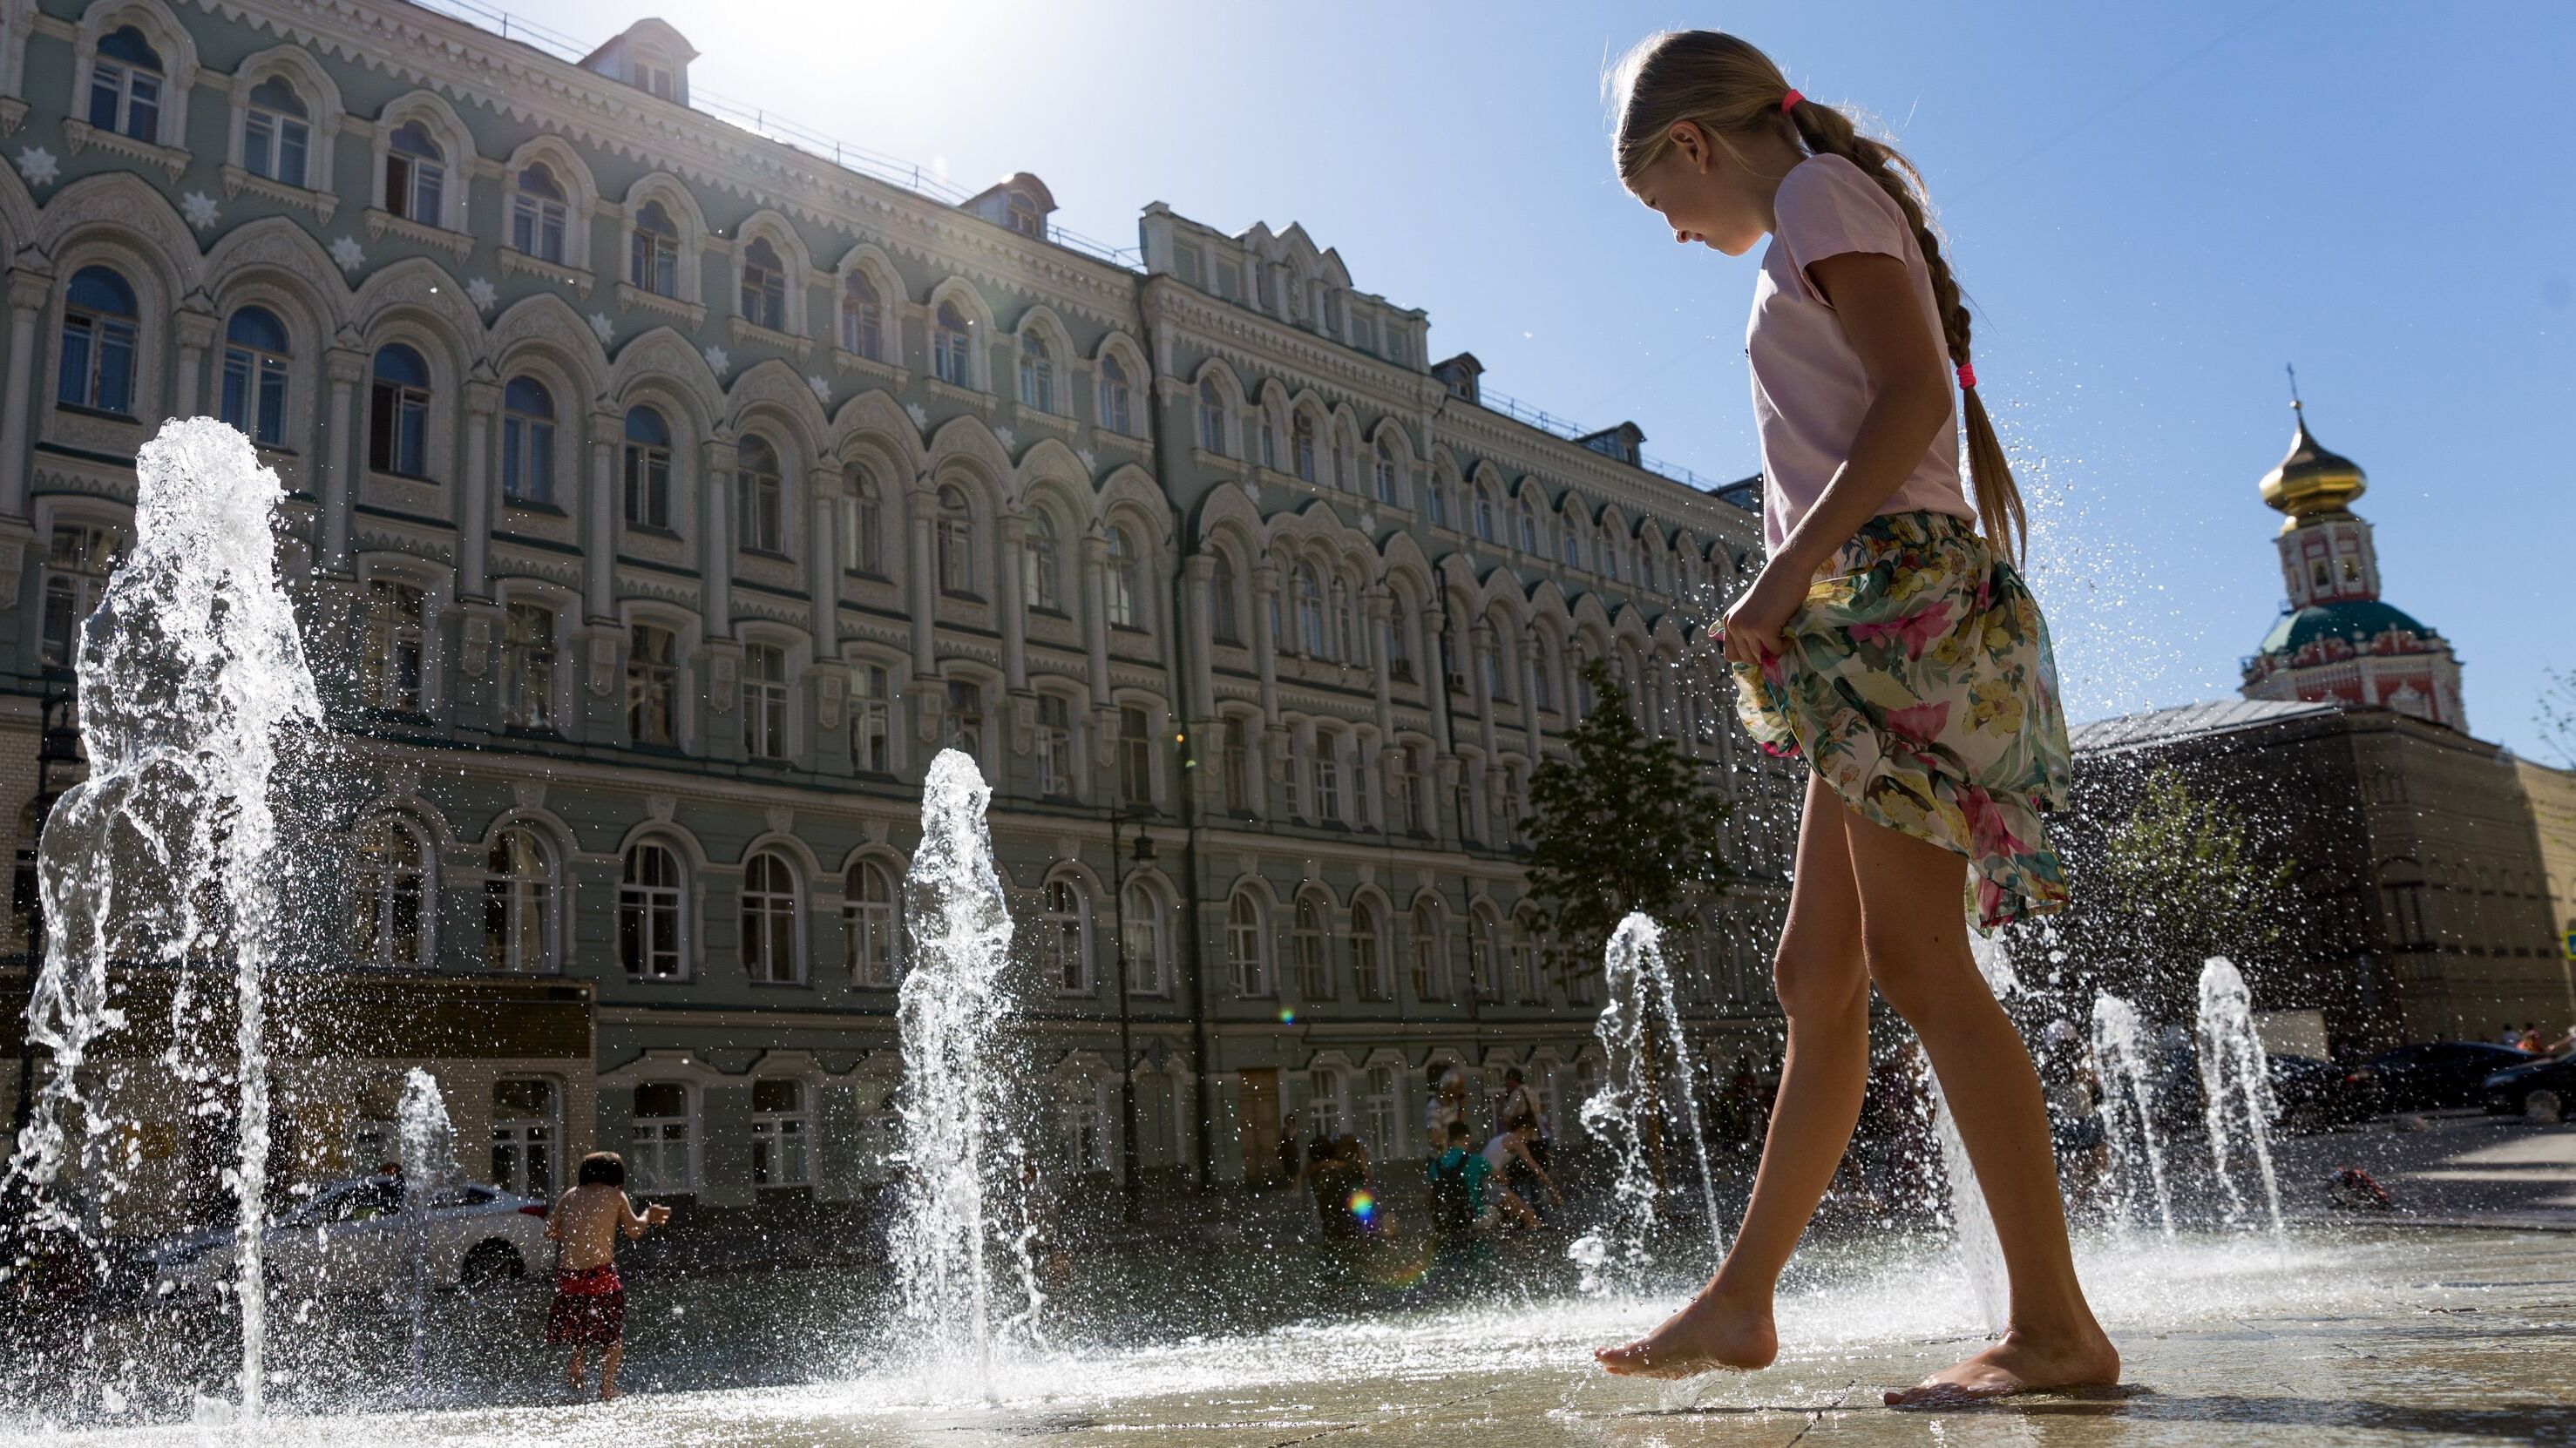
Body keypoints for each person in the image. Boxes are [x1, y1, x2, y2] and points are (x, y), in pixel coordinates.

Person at [1590, 33, 2117, 1405]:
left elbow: (1907, 397)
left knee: (1924, 968)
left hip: (1895, 603)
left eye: (1659, 202)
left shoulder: (1820, 202)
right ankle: (1743, 1297)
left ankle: (2055, 1327)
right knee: (1815, 976)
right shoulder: (1822, 213)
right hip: (1872, 617)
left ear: (1695, 142)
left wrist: (1781, 572)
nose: (1672, 232)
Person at [545, 1151, 671, 1400]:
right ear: (617, 1178)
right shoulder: (616, 1195)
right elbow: (634, 1231)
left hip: (569, 1279)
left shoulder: (570, 1195)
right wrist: (648, 1215)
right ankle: (606, 1387)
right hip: (600, 1277)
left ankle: (577, 1362)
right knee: (611, 1337)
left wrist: (572, 1235)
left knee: (580, 1325)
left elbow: (549, 1231)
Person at [1481, 1119, 1562, 1230]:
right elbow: (1535, 1168)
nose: (1529, 1140)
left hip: (1483, 1184)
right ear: (1523, 1129)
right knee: (1530, 1218)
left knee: (1511, 1222)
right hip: (1490, 1186)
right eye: (1529, 1134)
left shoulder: (1501, 1138)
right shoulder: (1515, 1140)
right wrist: (1553, 1191)